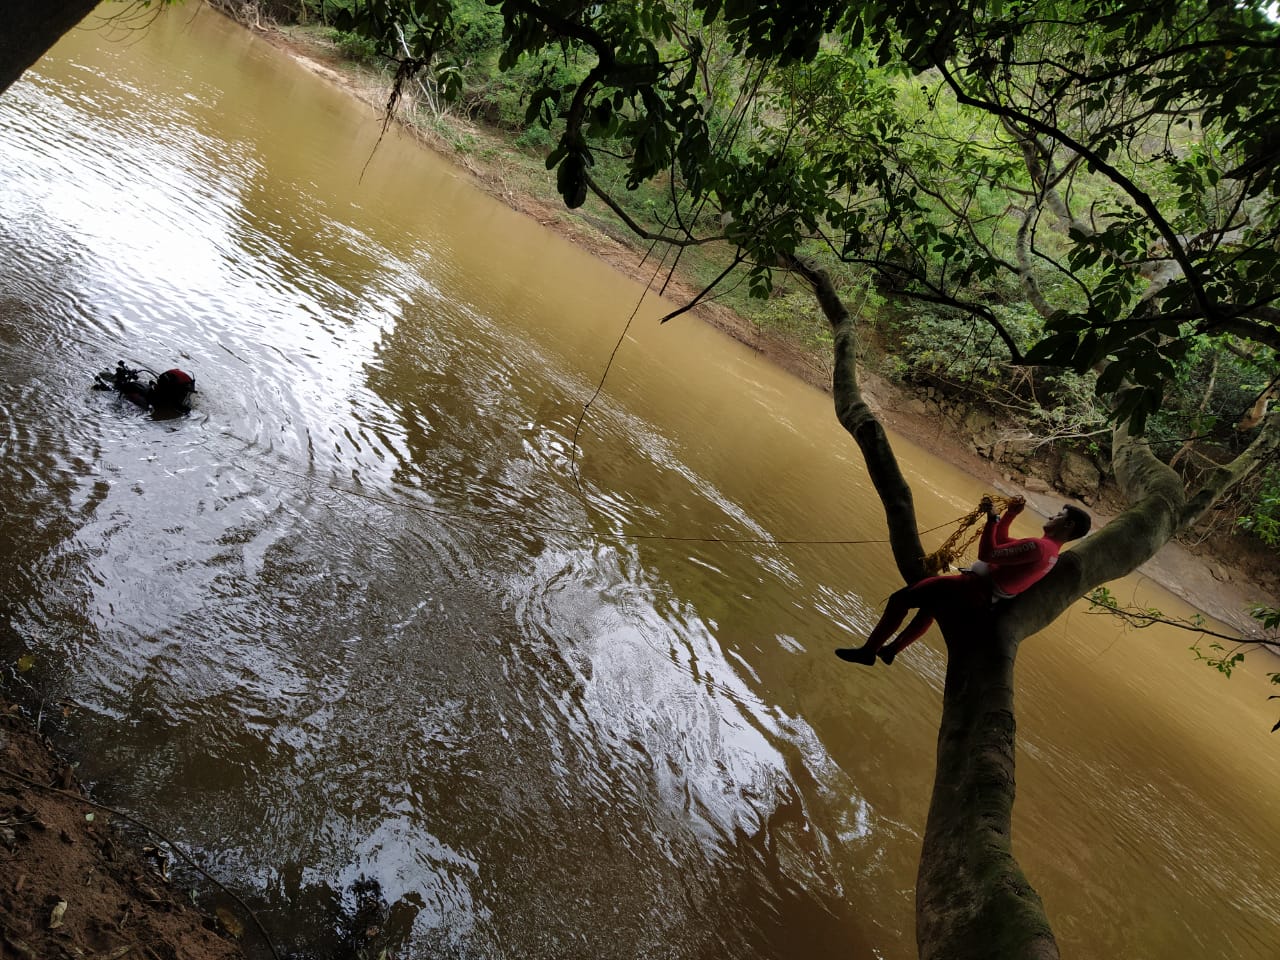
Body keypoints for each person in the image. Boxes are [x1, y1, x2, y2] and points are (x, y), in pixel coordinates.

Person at [835, 496, 1091, 666]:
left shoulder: (1039, 547)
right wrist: (1009, 516)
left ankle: (869, 652)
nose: (1051, 517)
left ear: (1067, 525)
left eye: (1058, 514)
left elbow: (988, 553)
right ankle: (891, 650)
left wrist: (992, 519)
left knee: (900, 599)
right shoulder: (1049, 552)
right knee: (929, 608)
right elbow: (1002, 542)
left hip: (970, 590)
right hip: (978, 594)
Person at [93, 360, 195, 411]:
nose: (186, 397)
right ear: (171, 393)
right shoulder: (143, 402)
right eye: (184, 393)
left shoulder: (160, 400)